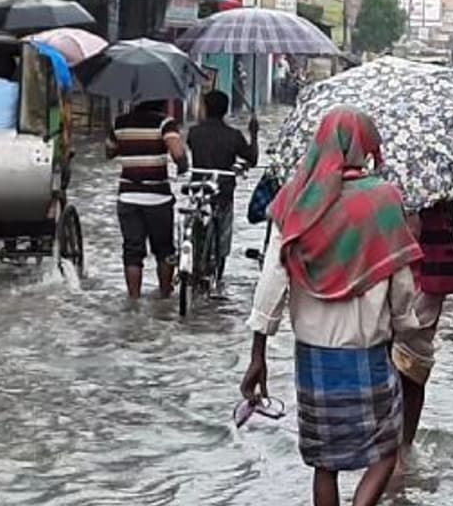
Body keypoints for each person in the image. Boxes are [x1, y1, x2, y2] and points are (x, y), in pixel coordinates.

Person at [240, 107, 422, 506]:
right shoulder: (383, 199)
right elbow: (402, 284)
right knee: (387, 449)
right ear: (363, 147)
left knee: (325, 464)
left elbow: (272, 281)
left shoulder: (294, 201)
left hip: (313, 359)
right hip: (369, 353)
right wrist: (406, 325)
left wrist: (258, 354)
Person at [391, 197, 453, 462]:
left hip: (422, 284)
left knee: (412, 367)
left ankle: (402, 448)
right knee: (407, 367)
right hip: (411, 282)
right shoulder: (436, 197)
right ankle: (400, 447)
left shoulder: (433, 203)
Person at [106, 100, 188, 299]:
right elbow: (178, 153)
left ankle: (133, 299)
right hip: (157, 197)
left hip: (127, 197)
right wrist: (183, 164)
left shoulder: (120, 122)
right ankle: (165, 296)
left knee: (132, 251)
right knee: (164, 250)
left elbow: (109, 152)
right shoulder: (165, 123)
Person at [185, 90, 259, 277]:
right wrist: (254, 135)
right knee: (222, 234)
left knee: (193, 224)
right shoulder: (233, 135)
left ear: (205, 108)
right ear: (225, 111)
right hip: (223, 191)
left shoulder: (194, 133)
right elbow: (252, 158)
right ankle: (218, 271)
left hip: (198, 188)